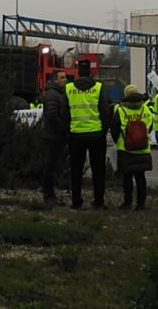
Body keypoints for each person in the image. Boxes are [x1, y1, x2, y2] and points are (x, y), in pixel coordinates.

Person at [60, 59, 112, 210]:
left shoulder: (69, 88)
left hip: (76, 135)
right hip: (96, 135)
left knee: (76, 171)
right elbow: (105, 111)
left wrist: (69, 129)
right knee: (98, 170)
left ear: (78, 72)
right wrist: (103, 130)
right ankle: (99, 201)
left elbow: (64, 113)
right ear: (90, 72)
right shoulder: (98, 88)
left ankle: (76, 201)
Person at [111, 85, 153, 210]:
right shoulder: (146, 109)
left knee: (127, 177)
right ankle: (141, 203)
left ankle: (127, 202)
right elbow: (150, 126)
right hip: (143, 148)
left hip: (125, 148)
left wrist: (119, 140)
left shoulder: (120, 110)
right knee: (140, 177)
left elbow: (114, 129)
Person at [41, 71, 68, 205]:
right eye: (62, 77)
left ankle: (50, 194)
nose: (65, 79)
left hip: (55, 136)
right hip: (53, 136)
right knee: (50, 166)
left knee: (53, 166)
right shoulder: (53, 94)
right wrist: (63, 128)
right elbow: (52, 114)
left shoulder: (58, 94)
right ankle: (48, 195)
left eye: (65, 77)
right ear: (55, 80)